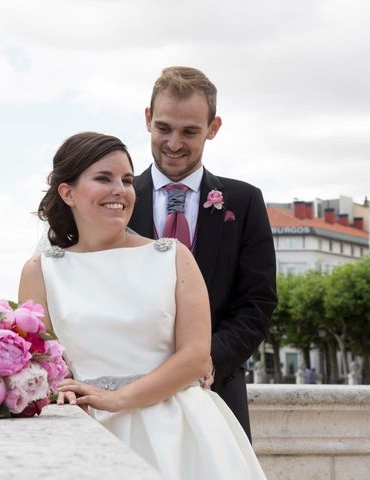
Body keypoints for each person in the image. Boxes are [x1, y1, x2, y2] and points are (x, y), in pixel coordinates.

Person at [19, 132, 266, 479]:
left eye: (127, 180)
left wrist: (117, 400)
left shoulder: (173, 256)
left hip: (180, 432)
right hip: (85, 432)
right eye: (104, 178)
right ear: (68, 192)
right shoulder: (40, 271)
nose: (120, 190)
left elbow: (195, 355)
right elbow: (40, 365)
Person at [128, 66, 277, 440]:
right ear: (147, 119)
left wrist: (201, 361)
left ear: (214, 127)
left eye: (190, 131)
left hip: (216, 392)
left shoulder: (244, 202)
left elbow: (256, 303)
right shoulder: (116, 200)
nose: (174, 143)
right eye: (164, 128)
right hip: (128, 395)